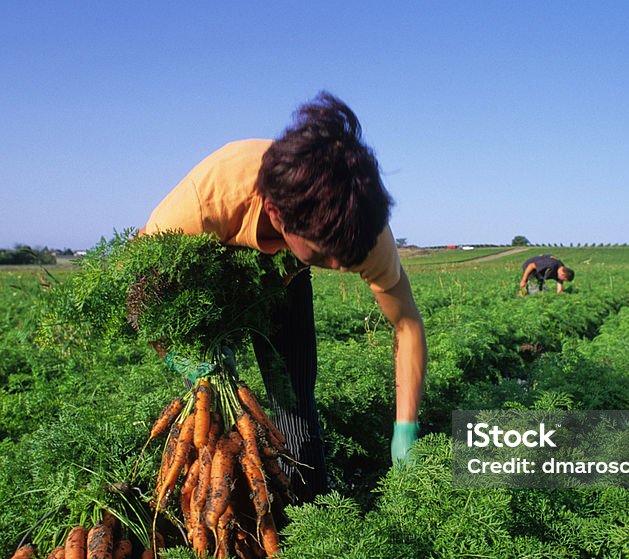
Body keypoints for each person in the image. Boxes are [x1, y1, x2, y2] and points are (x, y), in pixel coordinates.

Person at [136, 92, 427, 500]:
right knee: (212, 415)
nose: (343, 267)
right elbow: (140, 296)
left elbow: (407, 324)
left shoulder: (361, 229)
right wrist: (180, 353)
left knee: (293, 401)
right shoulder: (204, 205)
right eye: (328, 254)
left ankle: (311, 515)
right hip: (202, 285)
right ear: (276, 214)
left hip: (286, 283)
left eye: (352, 257)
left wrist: (405, 427)